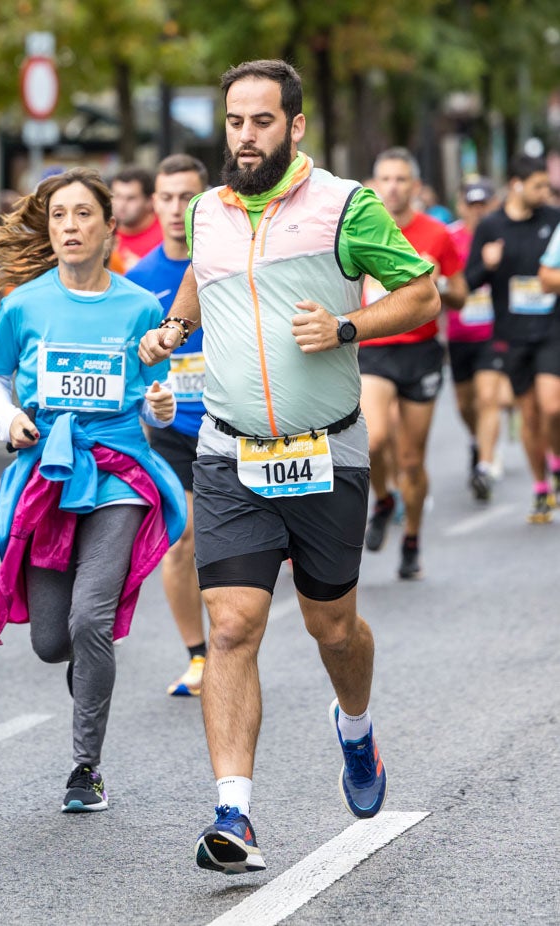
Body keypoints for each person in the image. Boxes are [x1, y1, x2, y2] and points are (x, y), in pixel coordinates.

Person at [139, 59, 438, 875]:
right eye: (235, 122)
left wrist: (345, 329)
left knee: (330, 627)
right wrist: (171, 330)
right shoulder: (206, 212)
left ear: (294, 125)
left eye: (261, 121)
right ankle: (232, 812)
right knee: (232, 624)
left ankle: (355, 727)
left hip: (325, 449)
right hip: (230, 451)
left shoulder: (346, 205)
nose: (244, 136)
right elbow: (205, 284)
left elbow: (422, 293)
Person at [0, 167, 185, 814]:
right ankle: (84, 666)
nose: (69, 226)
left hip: (119, 471)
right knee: (50, 641)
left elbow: (157, 399)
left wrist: (158, 403)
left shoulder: (138, 307)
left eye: (82, 215)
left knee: (89, 619)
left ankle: (84, 766)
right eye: (59, 215)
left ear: (107, 230)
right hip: (47, 473)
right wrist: (6, 418)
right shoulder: (23, 305)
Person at [125, 154, 212, 697]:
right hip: (174, 428)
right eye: (167, 197)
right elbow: (130, 363)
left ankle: (232, 639)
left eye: (188, 197)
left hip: (237, 426)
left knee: (231, 548)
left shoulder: (227, 264)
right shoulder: (137, 282)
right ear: (153, 203)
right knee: (180, 541)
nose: (177, 208)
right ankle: (199, 656)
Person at [356, 148, 465, 579]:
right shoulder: (359, 231)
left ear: (415, 187)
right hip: (375, 347)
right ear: (373, 185)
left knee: (412, 460)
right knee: (373, 440)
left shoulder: (437, 233)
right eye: (385, 179)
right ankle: (383, 499)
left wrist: (437, 283)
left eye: (402, 179)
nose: (393, 187)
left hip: (420, 352)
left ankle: (413, 539)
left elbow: (460, 294)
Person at [466, 154, 560, 520]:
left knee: (552, 405)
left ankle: (555, 457)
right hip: (512, 333)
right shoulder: (491, 226)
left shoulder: (553, 220)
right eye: (538, 185)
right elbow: (469, 282)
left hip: (552, 327)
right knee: (530, 414)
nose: (545, 192)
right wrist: (486, 264)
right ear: (517, 185)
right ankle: (541, 487)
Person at [447, 178, 504, 490]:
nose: (478, 211)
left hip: (492, 334)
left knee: (488, 399)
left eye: (484, 204)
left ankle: (484, 464)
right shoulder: (451, 237)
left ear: (493, 204)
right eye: (472, 204)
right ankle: (476, 439)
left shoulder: (500, 235)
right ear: (462, 205)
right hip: (459, 335)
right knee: (465, 405)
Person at [110, 166, 163, 271]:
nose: (121, 205)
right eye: (117, 196)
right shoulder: (104, 234)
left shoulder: (168, 233)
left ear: (149, 201)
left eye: (131, 198)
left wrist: (143, 270)